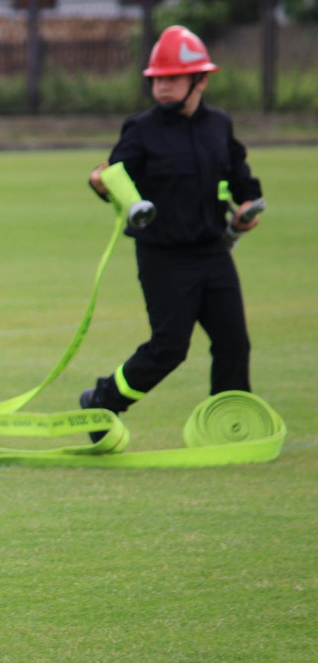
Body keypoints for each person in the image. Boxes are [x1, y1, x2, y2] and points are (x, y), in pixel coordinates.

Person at [80, 25, 264, 437]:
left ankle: (230, 424)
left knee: (234, 343)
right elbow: (116, 176)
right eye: (157, 80)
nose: (162, 87)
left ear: (201, 80)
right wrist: (99, 181)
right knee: (169, 349)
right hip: (163, 256)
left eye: (172, 79)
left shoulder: (219, 124)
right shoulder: (140, 129)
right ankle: (104, 400)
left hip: (213, 253)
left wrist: (249, 204)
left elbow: (239, 176)